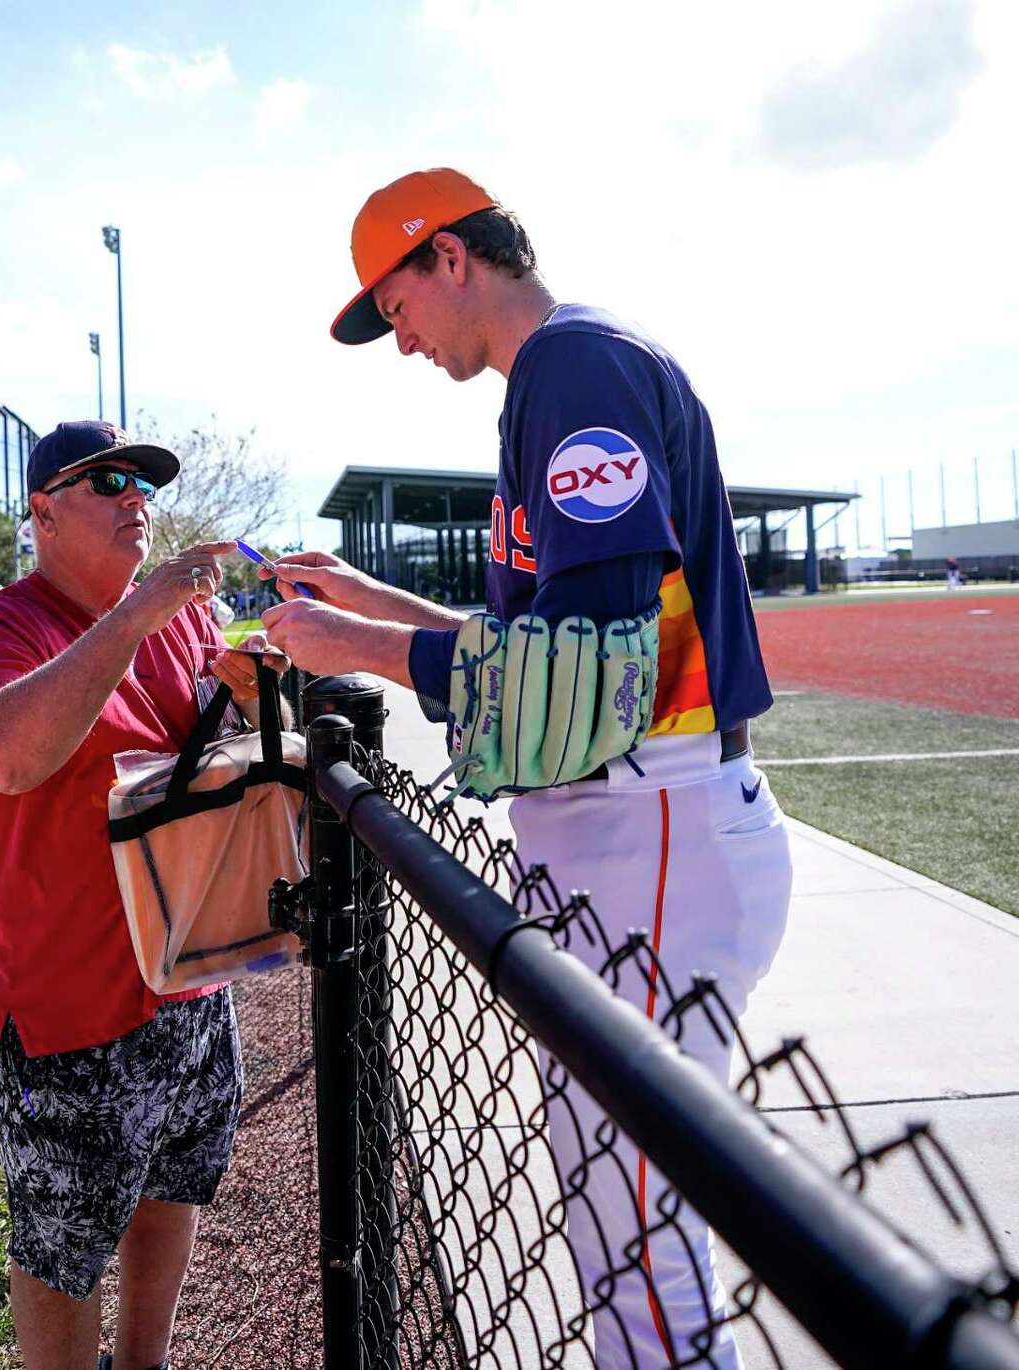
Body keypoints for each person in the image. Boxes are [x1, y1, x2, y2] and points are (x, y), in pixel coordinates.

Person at [262, 168, 791, 1369]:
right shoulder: (553, 381)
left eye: (395, 307)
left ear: (452, 257)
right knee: (620, 1217)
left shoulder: (572, 366)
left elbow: (588, 669)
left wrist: (355, 648)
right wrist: (374, 603)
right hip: (643, 823)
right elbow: (541, 640)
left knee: (632, 1237)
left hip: (655, 820)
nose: (401, 342)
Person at [0, 420, 284, 1370]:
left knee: (171, 1189)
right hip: (70, 1007)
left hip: (191, 977)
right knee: (63, 1250)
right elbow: (6, 758)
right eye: (109, 482)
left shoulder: (187, 622)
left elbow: (205, 767)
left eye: (144, 483)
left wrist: (255, 700)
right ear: (43, 511)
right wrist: (131, 618)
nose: (137, 497)